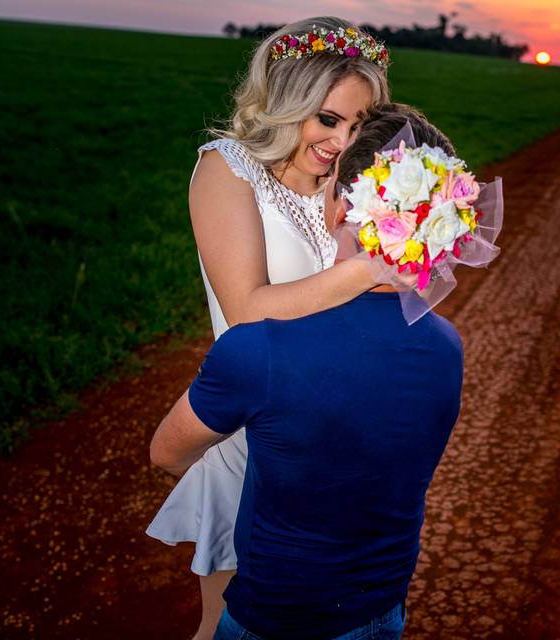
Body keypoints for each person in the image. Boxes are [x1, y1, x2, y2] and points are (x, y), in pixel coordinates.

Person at [149, 105, 464, 639]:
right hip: (381, 612)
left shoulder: (260, 349)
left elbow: (167, 454)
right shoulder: (446, 346)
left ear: (342, 207)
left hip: (273, 618)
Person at [145, 17, 391, 639]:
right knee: (230, 621)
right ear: (288, 101)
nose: (343, 141)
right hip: (255, 423)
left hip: (333, 429)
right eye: (328, 119)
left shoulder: (349, 182)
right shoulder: (226, 170)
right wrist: (373, 266)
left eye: (360, 124)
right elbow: (248, 306)